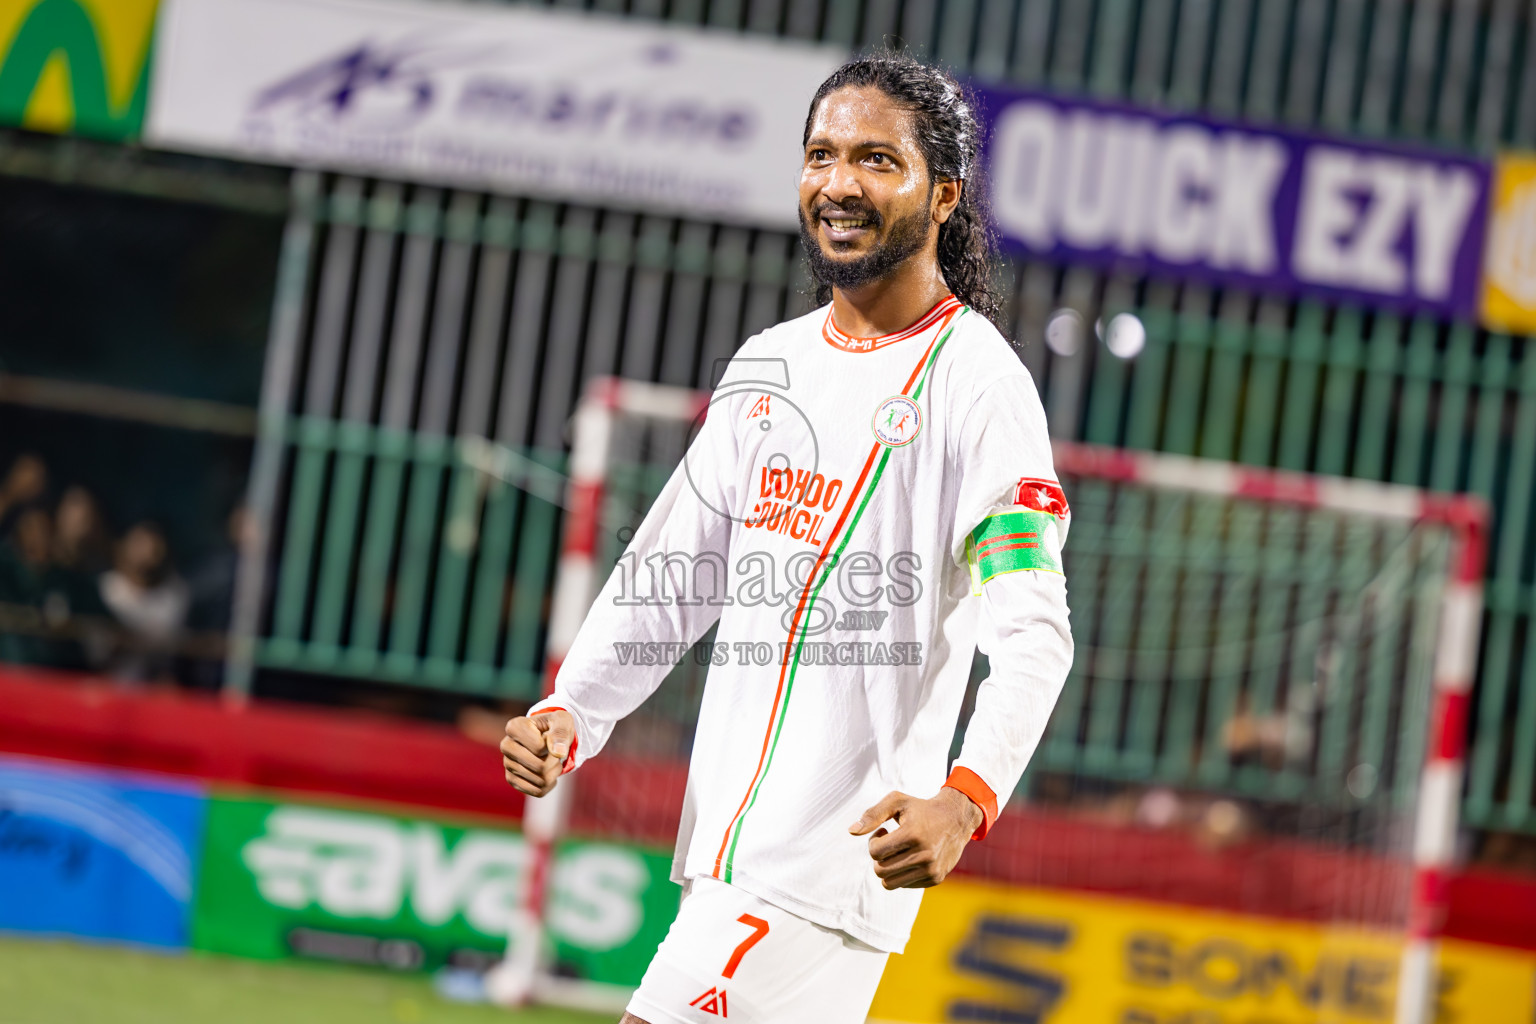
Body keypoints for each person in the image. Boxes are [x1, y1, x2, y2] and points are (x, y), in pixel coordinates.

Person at [500, 53, 1073, 1024]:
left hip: (824, 861)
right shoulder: (772, 363)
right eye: (821, 154)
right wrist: (575, 707)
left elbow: (1034, 628)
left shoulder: (980, 387)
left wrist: (965, 797)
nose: (839, 183)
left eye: (876, 160)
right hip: (726, 850)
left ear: (944, 197)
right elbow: (678, 568)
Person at [99, 521, 189, 682]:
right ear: (123, 547)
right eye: (139, 543)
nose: (148, 551)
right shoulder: (107, 588)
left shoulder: (175, 596)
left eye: (154, 545)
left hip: (152, 690)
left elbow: (170, 655)